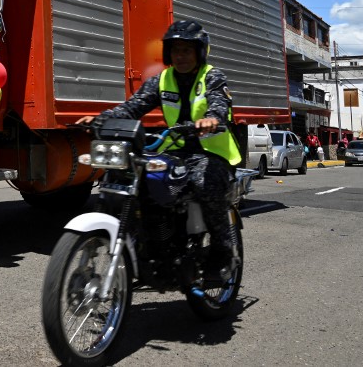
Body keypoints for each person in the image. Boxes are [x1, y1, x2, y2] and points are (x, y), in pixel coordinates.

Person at [77, 19, 241, 279]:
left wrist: (212, 119)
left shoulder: (212, 76)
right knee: (140, 180)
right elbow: (132, 107)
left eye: (187, 50)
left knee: (203, 184)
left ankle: (223, 253)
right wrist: (103, 118)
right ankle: (152, 246)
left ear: (199, 52)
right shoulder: (161, 80)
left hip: (211, 154)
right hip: (175, 150)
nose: (181, 55)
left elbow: (219, 103)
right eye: (176, 50)